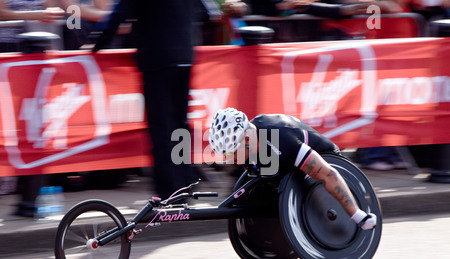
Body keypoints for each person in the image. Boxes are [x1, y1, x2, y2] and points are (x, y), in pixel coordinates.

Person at [208, 108, 377, 230]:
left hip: (322, 160)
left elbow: (329, 174)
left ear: (245, 139)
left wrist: (358, 216)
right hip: (284, 163)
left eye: (230, 152)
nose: (228, 159)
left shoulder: (280, 139)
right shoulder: (249, 143)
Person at [93, 0, 195, 200]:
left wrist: (96, 45)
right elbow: (207, 13)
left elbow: (120, 12)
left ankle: (169, 192)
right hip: (185, 53)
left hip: (158, 57)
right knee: (180, 126)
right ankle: (184, 184)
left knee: (162, 129)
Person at [0, 0, 64, 52]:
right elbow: (2, 14)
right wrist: (33, 15)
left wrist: (54, 12)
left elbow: (51, 7)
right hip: (9, 42)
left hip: (39, 42)